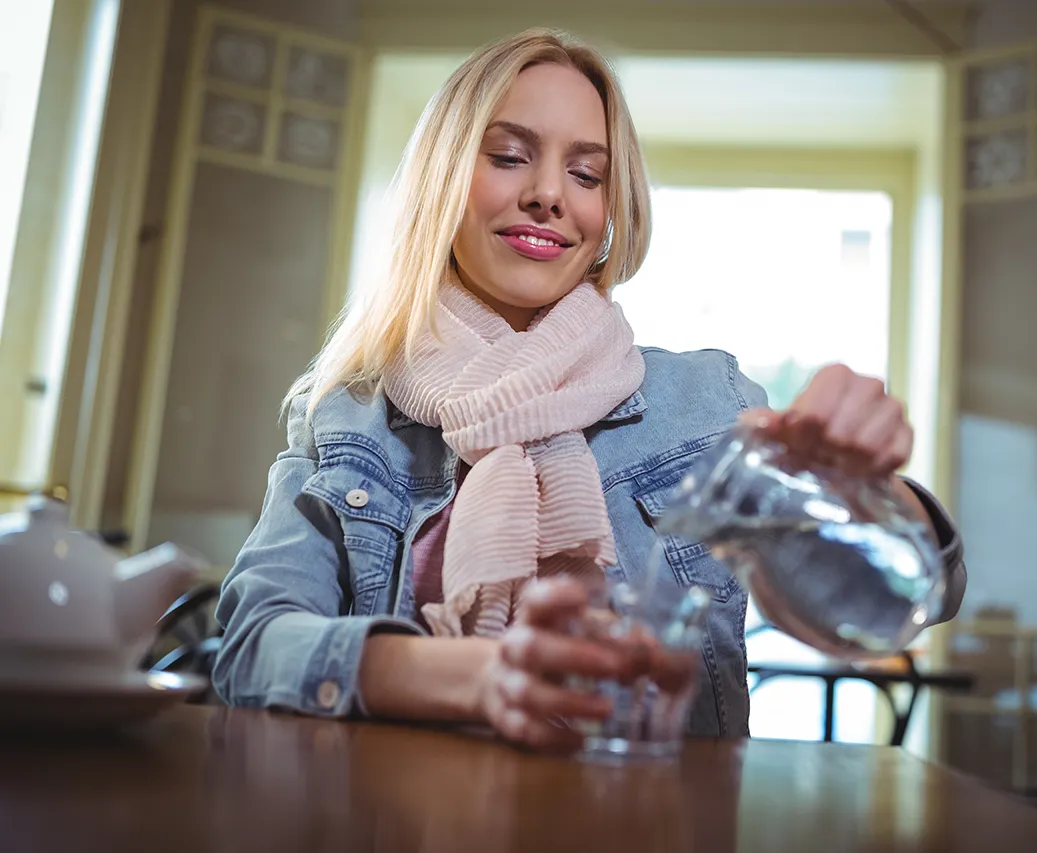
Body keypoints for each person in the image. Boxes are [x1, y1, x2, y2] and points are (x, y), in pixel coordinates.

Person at [212, 27, 967, 752]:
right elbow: (251, 646)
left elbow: (896, 595)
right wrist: (473, 678)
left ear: (610, 213)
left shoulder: (707, 403)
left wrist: (867, 493)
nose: (548, 194)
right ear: (441, 182)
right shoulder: (348, 413)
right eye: (509, 156)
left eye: (586, 174)